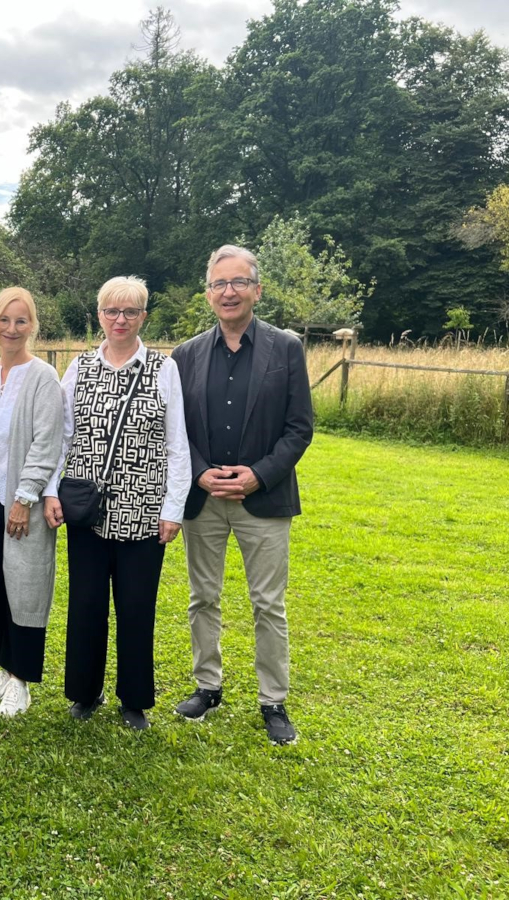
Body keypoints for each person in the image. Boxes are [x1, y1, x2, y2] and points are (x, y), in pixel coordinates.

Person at [170, 245, 313, 745]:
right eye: (218, 284)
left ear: (256, 289)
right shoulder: (185, 355)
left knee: (267, 603)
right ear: (208, 293)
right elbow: (173, 430)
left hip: (264, 499)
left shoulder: (286, 348)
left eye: (237, 283)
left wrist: (257, 475)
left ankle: (273, 699)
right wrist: (202, 472)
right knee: (201, 597)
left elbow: (299, 429)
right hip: (204, 499)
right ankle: (207, 686)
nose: (227, 292)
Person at [43, 276, 190, 730]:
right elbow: (59, 436)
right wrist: (50, 489)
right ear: (100, 314)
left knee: (136, 606)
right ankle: (85, 693)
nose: (120, 320)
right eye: (112, 311)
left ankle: (134, 699)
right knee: (86, 604)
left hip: (144, 510)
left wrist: (173, 508)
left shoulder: (163, 369)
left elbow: (176, 444)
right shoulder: (79, 368)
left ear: (144, 316)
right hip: (87, 509)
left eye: (130, 312)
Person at [0, 287, 64, 717]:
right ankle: (3, 669)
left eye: (22, 321)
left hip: (20, 502)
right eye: (5, 320)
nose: (12, 329)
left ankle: (22, 679)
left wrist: (25, 497)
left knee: (26, 587)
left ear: (33, 326)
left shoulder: (42, 377)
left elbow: (48, 443)